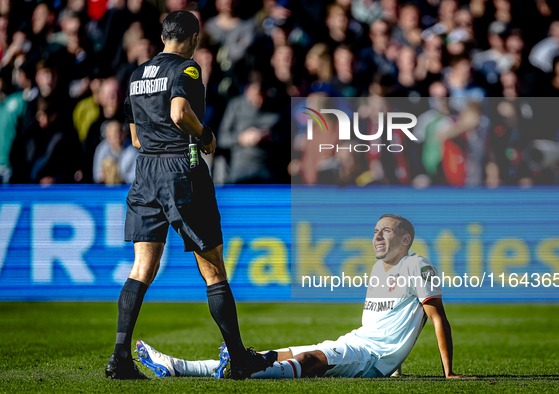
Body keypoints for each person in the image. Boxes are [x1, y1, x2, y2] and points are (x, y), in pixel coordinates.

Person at [105, 10, 275, 380]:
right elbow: (180, 112)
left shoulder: (136, 76)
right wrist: (204, 135)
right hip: (180, 171)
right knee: (213, 267)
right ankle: (239, 359)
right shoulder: (188, 69)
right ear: (194, 39)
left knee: (141, 269)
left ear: (163, 35)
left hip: (145, 170)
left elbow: (134, 139)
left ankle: (119, 357)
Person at [135, 215, 475, 380]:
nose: (377, 236)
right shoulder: (378, 270)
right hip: (359, 343)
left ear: (406, 239)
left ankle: (236, 373)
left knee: (311, 359)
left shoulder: (419, 265)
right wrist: (395, 366)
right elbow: (390, 323)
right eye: (375, 231)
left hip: (368, 354)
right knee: (276, 354)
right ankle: (180, 367)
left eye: (386, 230)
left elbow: (436, 318)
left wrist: (448, 374)